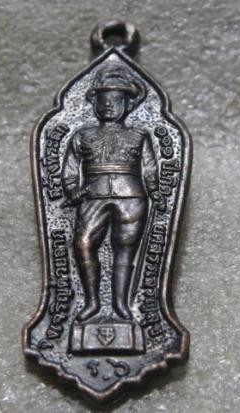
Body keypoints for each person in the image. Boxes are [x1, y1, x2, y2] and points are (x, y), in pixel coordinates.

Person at [62, 64, 164, 322]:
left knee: (125, 247)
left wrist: (155, 191)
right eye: (103, 100)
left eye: (115, 100)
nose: (108, 105)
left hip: (131, 196)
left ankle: (121, 304)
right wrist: (72, 190)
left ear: (127, 104)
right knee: (83, 244)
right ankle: (92, 302)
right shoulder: (82, 135)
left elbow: (150, 167)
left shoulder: (139, 135)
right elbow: (70, 169)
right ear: (95, 103)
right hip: (92, 196)